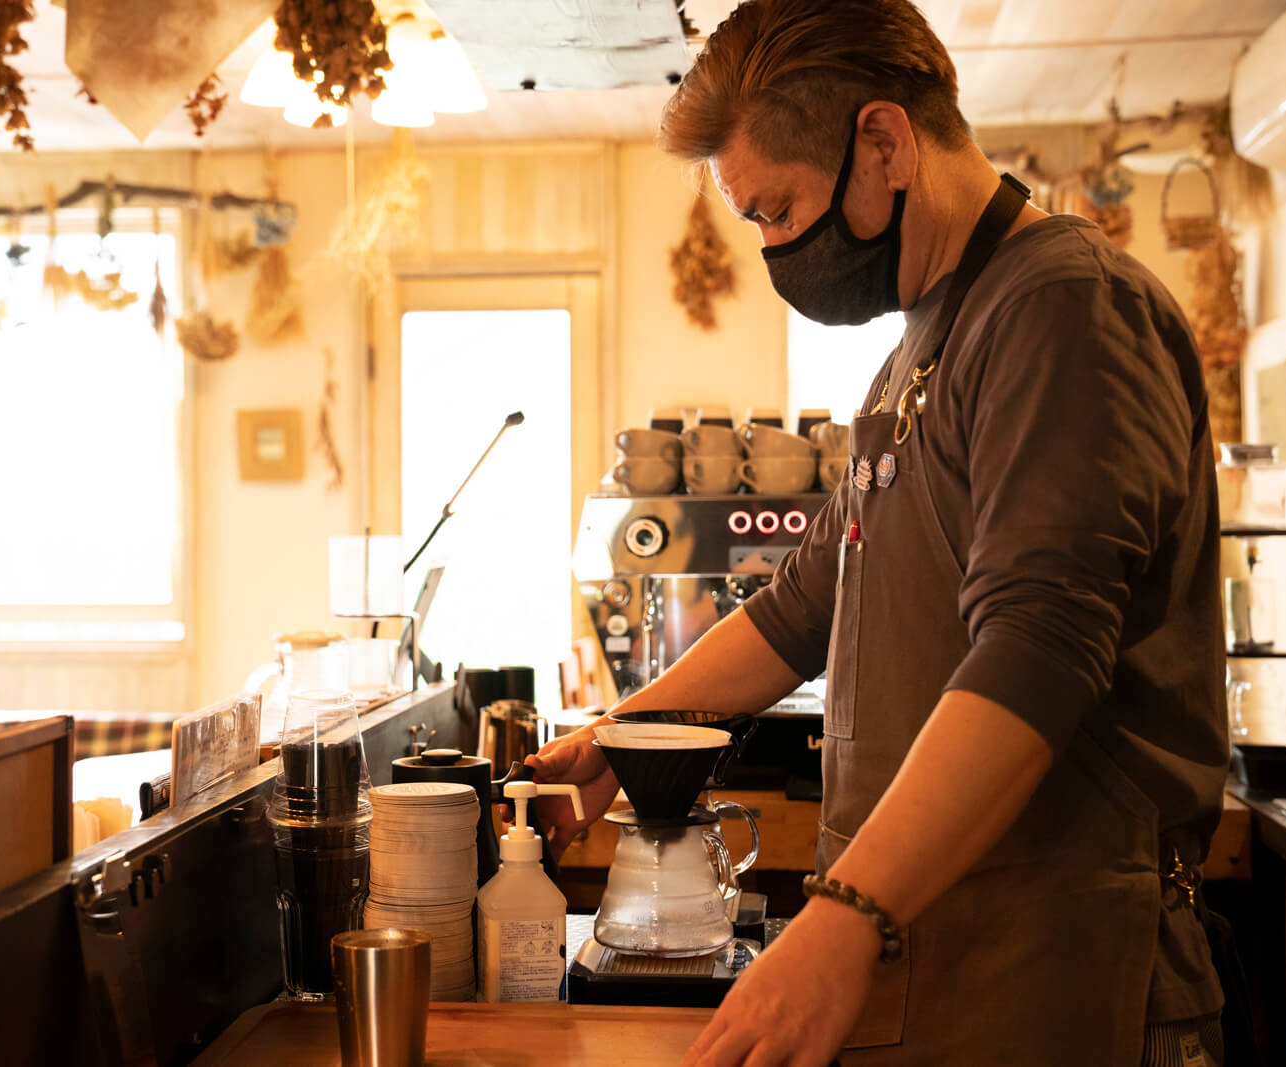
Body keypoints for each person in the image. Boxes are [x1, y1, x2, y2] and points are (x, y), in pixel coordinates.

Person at [526, 2, 1229, 1064]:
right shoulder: (919, 345)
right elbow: (806, 604)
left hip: (1064, 970)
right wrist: (631, 735)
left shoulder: (1062, 308)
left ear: (885, 143)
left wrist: (848, 910)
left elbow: (1039, 646)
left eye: (778, 209)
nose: (772, 247)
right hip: (939, 958)